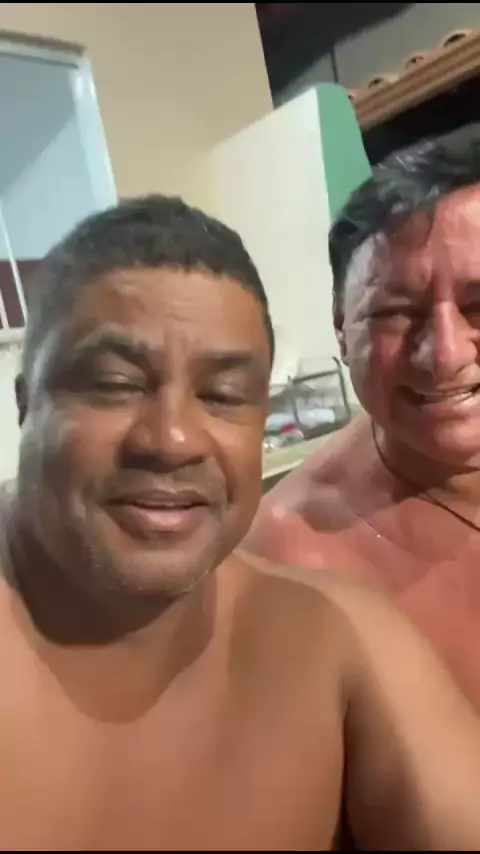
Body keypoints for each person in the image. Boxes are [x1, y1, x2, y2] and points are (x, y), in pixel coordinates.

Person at [3, 194, 480, 851]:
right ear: (26, 401)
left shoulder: (337, 640)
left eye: (223, 395)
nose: (172, 439)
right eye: (115, 384)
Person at [244, 124, 480, 709]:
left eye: (479, 305)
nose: (446, 355)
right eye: (396, 312)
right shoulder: (289, 566)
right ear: (341, 330)